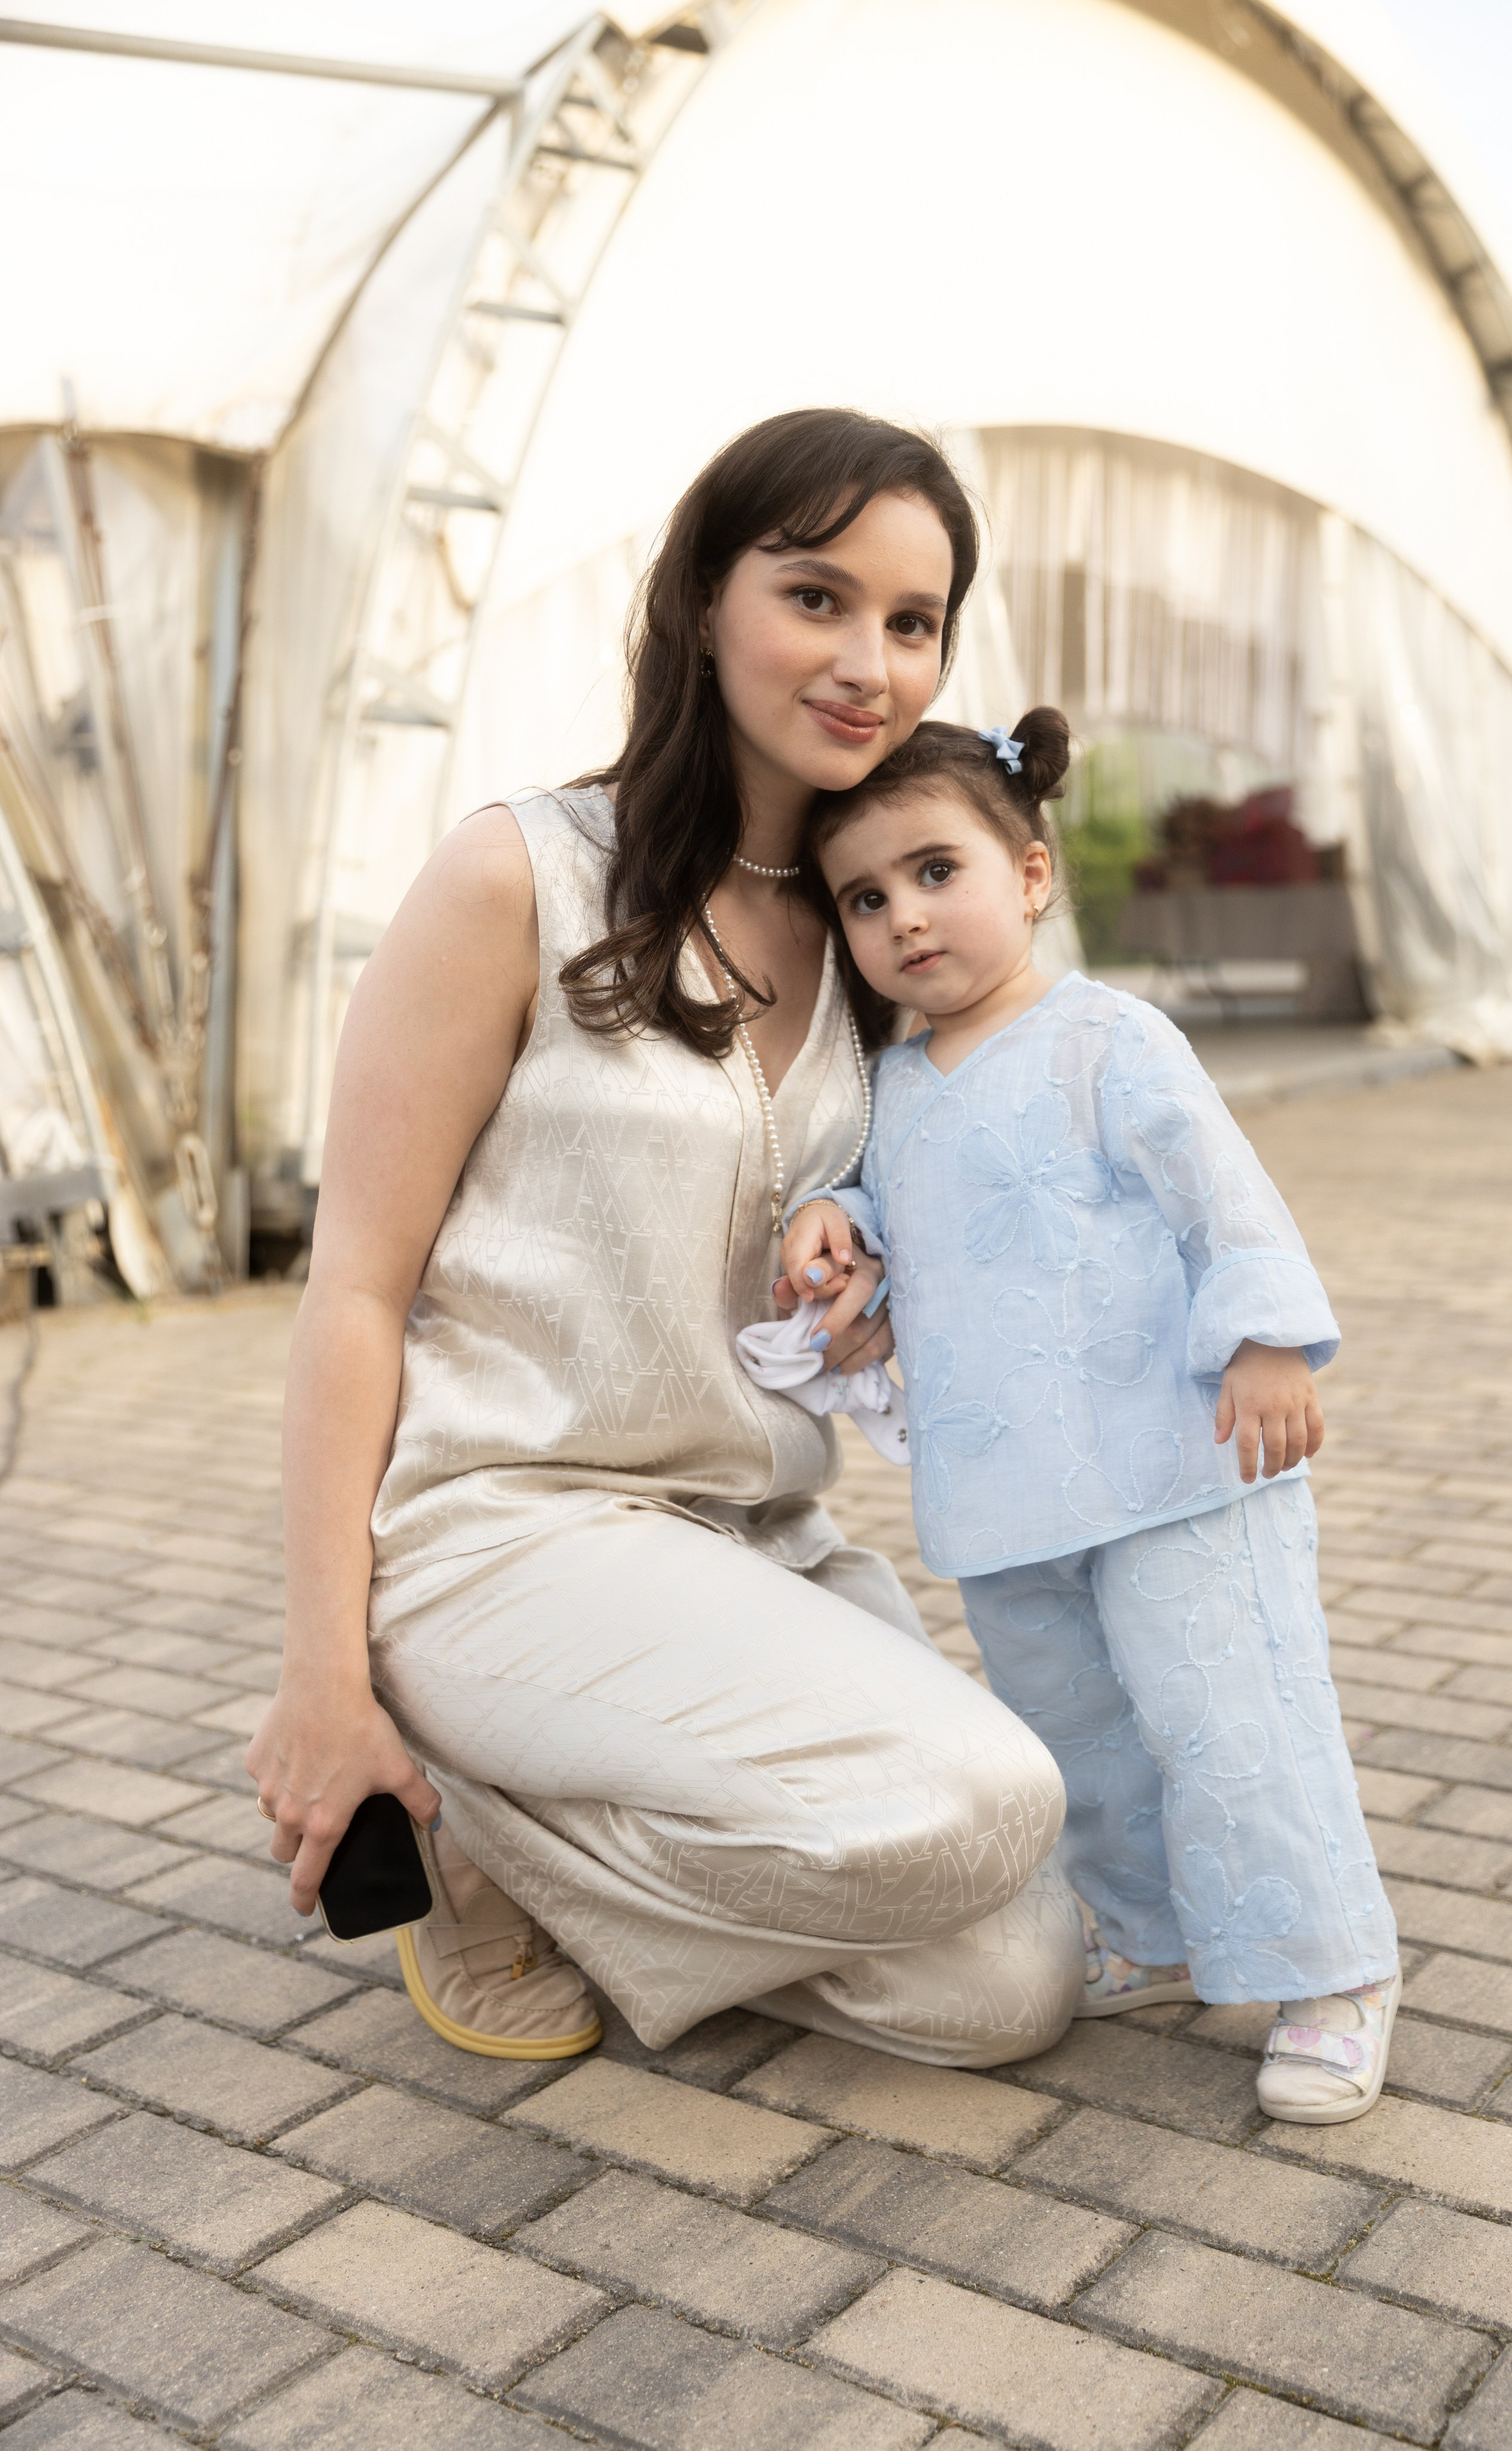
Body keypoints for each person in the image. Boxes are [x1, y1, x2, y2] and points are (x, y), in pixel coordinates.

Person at [246, 411, 1085, 2069]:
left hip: (742, 1542)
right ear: (705, 599)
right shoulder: (520, 878)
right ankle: (455, 1782)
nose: (871, 662)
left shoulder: (883, 938)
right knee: (990, 1797)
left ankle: (526, 1857)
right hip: (505, 1535)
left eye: (913, 624)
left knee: (1004, 1989)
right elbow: (352, 1292)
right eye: (820, 598)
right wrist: (318, 1678)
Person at [779, 709, 1402, 2123]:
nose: (903, 919)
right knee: (1083, 1742)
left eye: (935, 872)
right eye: (865, 899)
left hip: (1175, 1459)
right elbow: (893, 1213)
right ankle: (1157, 1933)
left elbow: (1215, 1190)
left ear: (1033, 874)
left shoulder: (1108, 1040)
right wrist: (834, 1211)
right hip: (1006, 1497)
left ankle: (1331, 1966)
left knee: (1225, 1716)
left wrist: (1261, 1340)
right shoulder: (888, 1088)